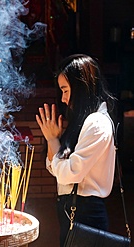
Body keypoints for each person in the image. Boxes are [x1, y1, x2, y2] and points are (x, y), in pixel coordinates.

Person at [35, 54, 117, 246]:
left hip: (85, 212)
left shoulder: (96, 123)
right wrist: (52, 140)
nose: (63, 99)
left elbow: (68, 174)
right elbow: (54, 167)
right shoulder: (84, 120)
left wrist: (52, 139)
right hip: (75, 210)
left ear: (81, 87)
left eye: (65, 90)